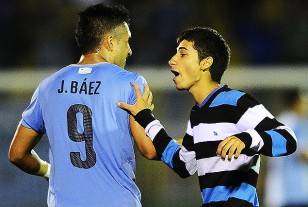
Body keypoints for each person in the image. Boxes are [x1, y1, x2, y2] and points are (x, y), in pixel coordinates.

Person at [117, 27, 298, 207]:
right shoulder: (198, 114)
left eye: (182, 54)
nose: (172, 61)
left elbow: (288, 139)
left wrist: (247, 138)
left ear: (206, 63)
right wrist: (145, 116)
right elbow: (182, 164)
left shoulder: (236, 101)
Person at [8, 3, 156, 207]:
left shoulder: (48, 86)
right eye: (127, 41)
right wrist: (196, 141)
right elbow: (149, 149)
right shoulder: (131, 84)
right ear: (110, 42)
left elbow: (17, 154)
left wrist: (47, 170)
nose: (129, 50)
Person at [264, 89, 308, 207]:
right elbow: (303, 155)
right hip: (290, 192)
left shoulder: (278, 121)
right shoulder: (293, 124)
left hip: (278, 190)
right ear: (297, 102)